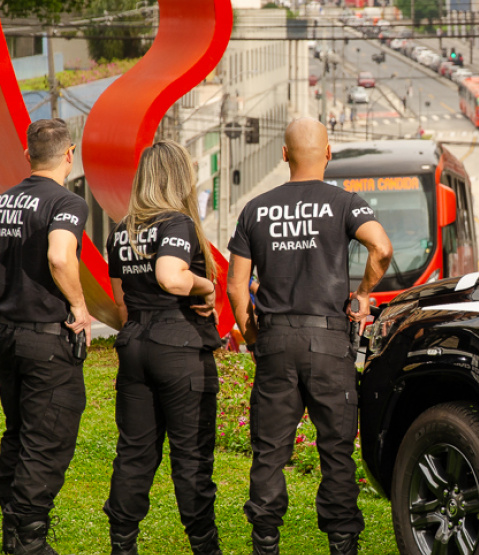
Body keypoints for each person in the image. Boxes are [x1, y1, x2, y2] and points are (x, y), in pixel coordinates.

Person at [227, 118, 392, 555]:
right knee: (336, 449)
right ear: (328, 153)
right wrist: (362, 294)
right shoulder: (345, 203)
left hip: (276, 342)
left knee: (269, 451)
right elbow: (381, 248)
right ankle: (342, 543)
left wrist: (252, 336)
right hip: (329, 343)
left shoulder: (255, 209)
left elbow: (235, 286)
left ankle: (265, 541)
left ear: (284, 155)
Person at [104, 141, 222, 555]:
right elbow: (171, 277)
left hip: (135, 343)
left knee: (134, 454)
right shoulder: (177, 224)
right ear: (180, 178)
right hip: (180, 346)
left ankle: (122, 544)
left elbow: (121, 304)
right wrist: (207, 286)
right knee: (191, 459)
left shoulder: (121, 231)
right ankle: (205, 547)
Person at [0, 118, 90, 555]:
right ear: (69, 154)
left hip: (6, 337)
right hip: (45, 342)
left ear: (28, 155)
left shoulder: (3, 202)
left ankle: (12, 531)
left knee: (18, 434)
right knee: (46, 441)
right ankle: (29, 541)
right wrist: (80, 306)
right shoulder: (67, 202)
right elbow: (60, 256)